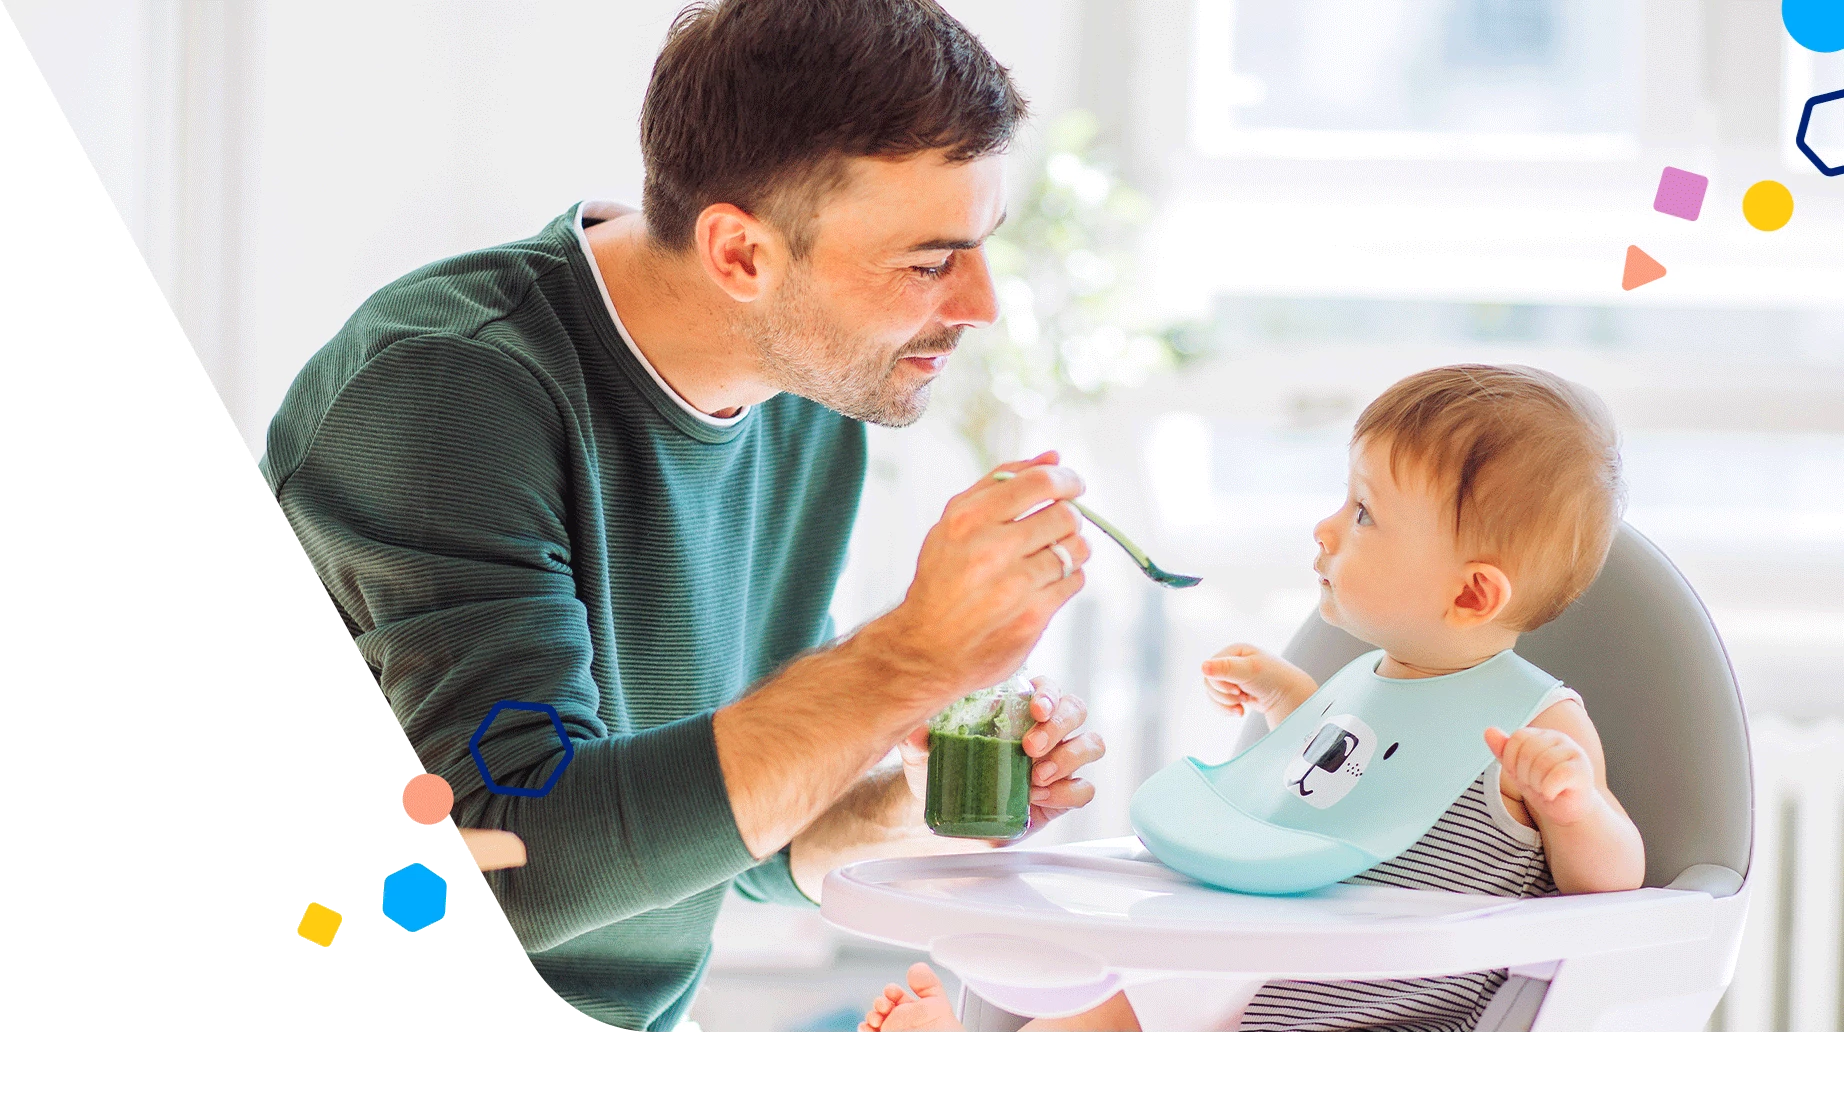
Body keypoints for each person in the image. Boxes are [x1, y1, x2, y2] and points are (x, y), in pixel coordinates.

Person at [261, 0, 1106, 1032]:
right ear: (740, 255)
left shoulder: (808, 393)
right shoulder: (445, 393)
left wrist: (915, 799)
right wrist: (908, 660)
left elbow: (724, 847)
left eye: (978, 246)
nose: (979, 303)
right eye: (928, 262)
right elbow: (506, 854)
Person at [861, 363, 1645, 1033]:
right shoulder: (1371, 675)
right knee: (1125, 1000)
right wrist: (1287, 701)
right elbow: (1340, 776)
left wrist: (1574, 807)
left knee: (1149, 1006)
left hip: (1384, 1011)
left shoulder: (1539, 721)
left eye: (1364, 513)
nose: (1326, 528)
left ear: (1472, 593)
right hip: (1262, 971)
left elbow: (1611, 886)